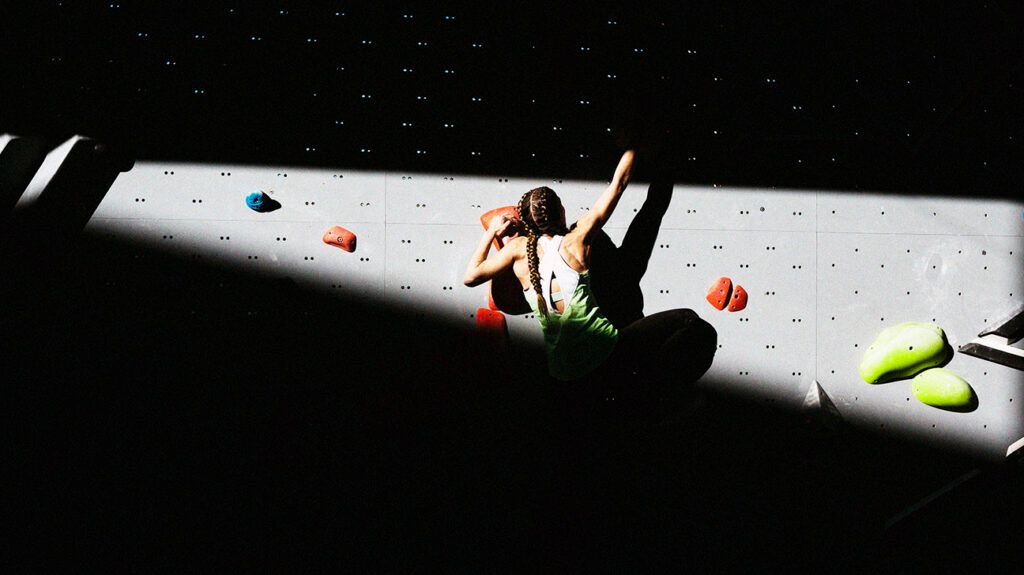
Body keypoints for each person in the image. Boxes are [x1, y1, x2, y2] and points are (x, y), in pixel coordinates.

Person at [464, 149, 717, 419]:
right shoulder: (578, 238)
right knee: (692, 323)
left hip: (563, 374)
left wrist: (492, 231)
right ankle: (657, 396)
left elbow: (471, 276)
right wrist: (634, 145)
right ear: (561, 211)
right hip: (607, 355)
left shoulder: (517, 251)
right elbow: (618, 184)